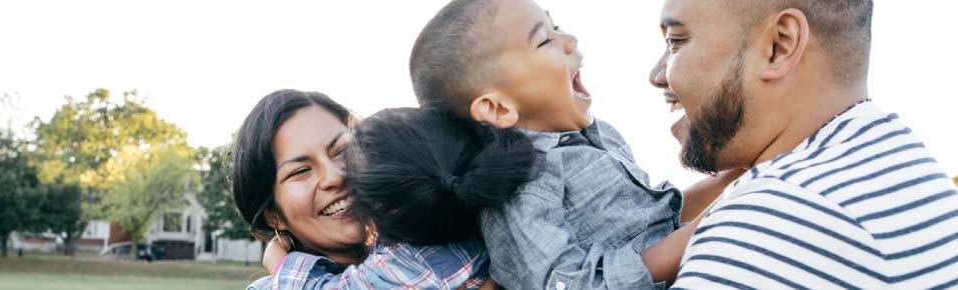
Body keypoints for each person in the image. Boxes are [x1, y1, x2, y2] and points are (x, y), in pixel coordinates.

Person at [405, 0, 741, 289]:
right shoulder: (518, 187)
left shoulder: (599, 134)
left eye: (557, 26)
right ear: (497, 109)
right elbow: (568, 282)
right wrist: (713, 225)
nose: (569, 40)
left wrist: (735, 180)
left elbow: (650, 223)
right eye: (543, 41)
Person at [650, 0, 958, 288]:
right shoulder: (892, 163)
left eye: (676, 41)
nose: (657, 75)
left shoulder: (774, 222)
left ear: (779, 46)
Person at [235, 89, 492, 289]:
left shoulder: (451, 231)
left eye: (343, 151)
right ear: (273, 214)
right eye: (300, 171)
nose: (335, 176)